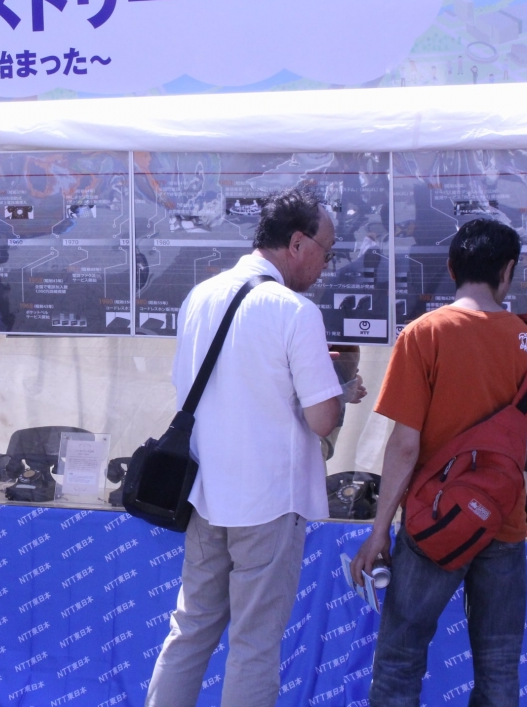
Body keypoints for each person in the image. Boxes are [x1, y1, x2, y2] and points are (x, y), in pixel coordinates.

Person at [145, 186, 367, 707]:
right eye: (327, 250)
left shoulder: (199, 296)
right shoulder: (295, 311)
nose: (327, 264)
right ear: (297, 243)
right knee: (254, 645)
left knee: (189, 631)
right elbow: (322, 420)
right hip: (269, 502)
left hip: (205, 493)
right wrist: (341, 392)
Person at [350, 218, 527, 706]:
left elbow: (405, 445)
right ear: (508, 270)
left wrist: (379, 531)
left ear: (452, 268)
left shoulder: (424, 333)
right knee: (499, 667)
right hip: (502, 521)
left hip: (433, 523)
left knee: (400, 660)